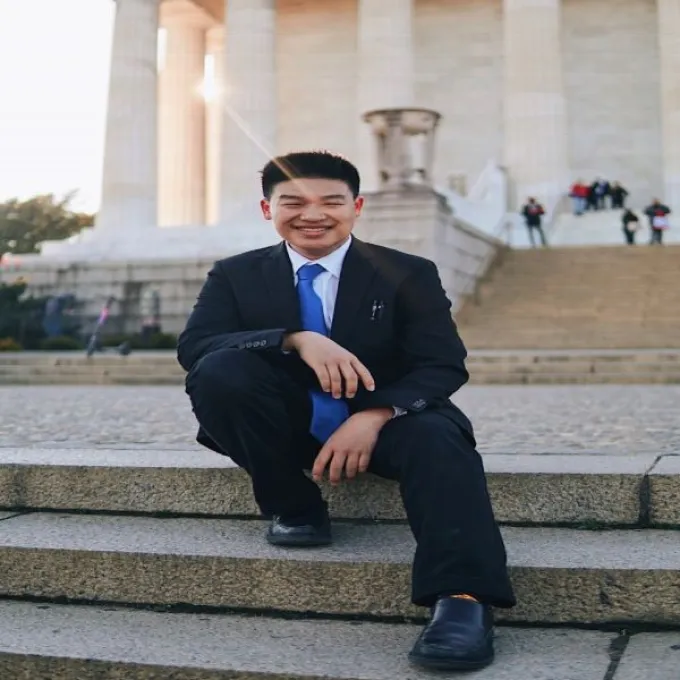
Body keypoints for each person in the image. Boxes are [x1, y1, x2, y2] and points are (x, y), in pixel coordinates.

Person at [178, 151, 515, 671]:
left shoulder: (407, 272)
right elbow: (196, 347)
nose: (313, 215)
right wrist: (293, 338)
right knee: (220, 372)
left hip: (391, 423)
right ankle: (295, 507)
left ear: (356, 207)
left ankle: (463, 600)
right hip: (284, 425)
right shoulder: (235, 274)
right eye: (293, 202)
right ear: (268, 210)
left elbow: (442, 364)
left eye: (331, 202)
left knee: (439, 439)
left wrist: (375, 414)